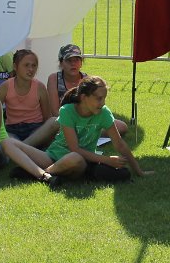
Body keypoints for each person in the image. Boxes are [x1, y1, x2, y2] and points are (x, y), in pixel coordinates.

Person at [13, 75, 149, 183]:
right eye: (99, 99)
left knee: (75, 159)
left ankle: (41, 174)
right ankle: (46, 174)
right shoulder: (67, 110)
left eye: (104, 98)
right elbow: (75, 148)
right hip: (52, 157)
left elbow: (120, 144)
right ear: (84, 97)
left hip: (79, 162)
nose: (103, 103)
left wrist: (139, 171)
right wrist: (108, 160)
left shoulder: (104, 113)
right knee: (9, 143)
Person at [47, 43, 128, 135]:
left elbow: (96, 107)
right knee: (54, 123)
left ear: (81, 62)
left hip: (87, 121)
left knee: (122, 126)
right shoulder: (54, 79)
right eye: (69, 60)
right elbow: (55, 111)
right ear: (61, 63)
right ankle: (86, 134)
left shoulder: (87, 80)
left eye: (77, 60)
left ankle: (84, 133)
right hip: (64, 120)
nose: (73, 64)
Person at [0, 49, 56, 147]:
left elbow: (47, 117)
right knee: (6, 141)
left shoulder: (40, 87)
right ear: (15, 66)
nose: (31, 69)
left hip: (35, 129)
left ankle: (21, 147)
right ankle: (26, 148)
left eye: (34, 65)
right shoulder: (6, 86)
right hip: (12, 130)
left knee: (54, 121)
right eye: (26, 65)